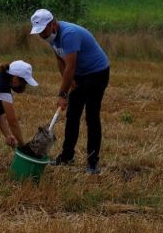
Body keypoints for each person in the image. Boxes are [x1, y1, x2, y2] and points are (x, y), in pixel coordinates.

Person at [30, 9, 110, 174]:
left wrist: (62, 94)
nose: (41, 35)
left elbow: (70, 66)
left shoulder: (69, 34)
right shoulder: (50, 36)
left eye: (43, 31)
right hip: (79, 75)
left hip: (97, 73)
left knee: (91, 117)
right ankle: (67, 156)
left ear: (53, 24)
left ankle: (92, 163)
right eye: (39, 32)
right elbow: (60, 59)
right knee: (72, 115)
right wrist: (70, 82)